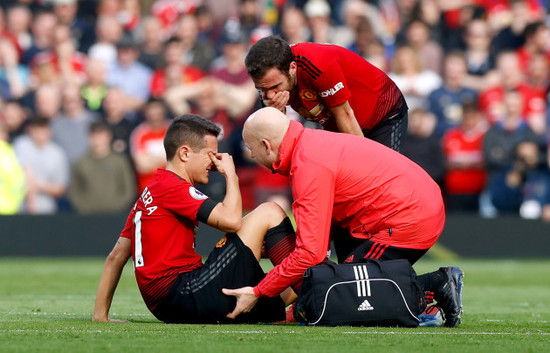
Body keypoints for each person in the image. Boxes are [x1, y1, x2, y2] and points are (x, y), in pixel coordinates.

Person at [224, 107, 464, 328]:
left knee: (344, 293)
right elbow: (319, 232)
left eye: (250, 148)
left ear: (266, 146)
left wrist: (258, 291)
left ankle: (435, 286)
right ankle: (413, 297)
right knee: (332, 289)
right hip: (407, 207)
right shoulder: (310, 144)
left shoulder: (307, 164)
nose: (252, 156)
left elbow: (310, 253)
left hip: (408, 216)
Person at [93, 114, 294, 324]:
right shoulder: (172, 187)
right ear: (185, 153)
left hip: (168, 304)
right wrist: (231, 176)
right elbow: (232, 221)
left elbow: (116, 256)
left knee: (285, 289)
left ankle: (298, 296)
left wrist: (100, 315)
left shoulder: (150, 193)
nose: (215, 161)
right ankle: (304, 285)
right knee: (270, 211)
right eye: (211, 154)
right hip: (184, 291)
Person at [244, 35, 408, 152]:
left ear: (292, 69)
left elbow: (345, 115)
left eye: (275, 87)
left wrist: (362, 167)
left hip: (384, 113)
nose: (270, 95)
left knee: (379, 179)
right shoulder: (267, 82)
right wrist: (276, 114)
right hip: (340, 127)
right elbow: (272, 142)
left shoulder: (318, 64)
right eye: (262, 89)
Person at [69, 121, 136, 214]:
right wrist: (83, 208)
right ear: (88, 138)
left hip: (116, 214)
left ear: (108, 137)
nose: (97, 140)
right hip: (88, 215)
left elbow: (129, 189)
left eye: (100, 136)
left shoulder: (120, 161)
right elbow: (74, 190)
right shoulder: (80, 163)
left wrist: (118, 206)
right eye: (94, 136)